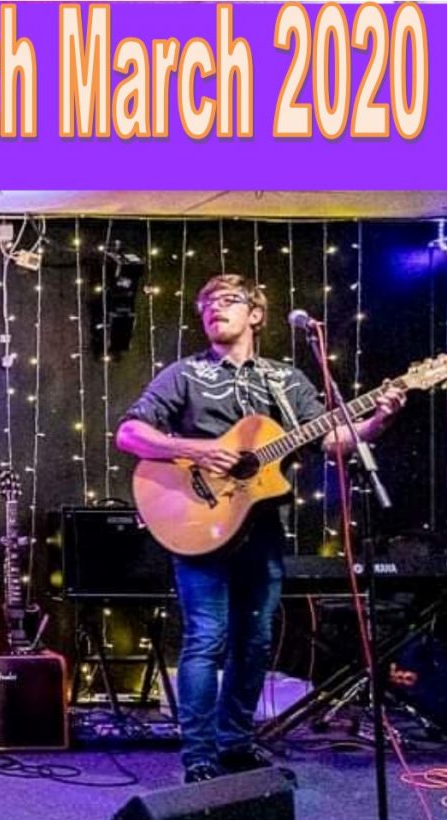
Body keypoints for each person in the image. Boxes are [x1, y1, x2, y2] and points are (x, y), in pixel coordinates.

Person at [115, 274, 406, 784]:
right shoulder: (185, 375)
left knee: (254, 641)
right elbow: (130, 433)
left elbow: (332, 439)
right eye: (206, 302)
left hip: (264, 529)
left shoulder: (284, 380)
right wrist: (197, 449)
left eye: (227, 300)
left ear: (255, 314)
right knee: (206, 639)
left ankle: (235, 744)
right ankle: (199, 755)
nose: (213, 308)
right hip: (197, 525)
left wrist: (376, 421)